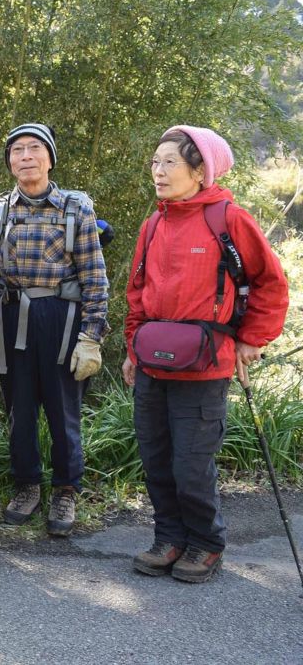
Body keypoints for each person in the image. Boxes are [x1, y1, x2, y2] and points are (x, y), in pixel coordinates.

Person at [123, 125, 288, 583]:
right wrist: (131, 349)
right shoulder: (153, 223)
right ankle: (169, 538)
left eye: (170, 162)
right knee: (156, 458)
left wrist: (253, 339)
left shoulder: (228, 219)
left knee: (191, 464)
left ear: (200, 172)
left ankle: (206, 544)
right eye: (155, 162)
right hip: (153, 360)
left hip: (206, 364)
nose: (158, 171)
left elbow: (271, 282)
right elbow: (137, 292)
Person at [0, 123, 109, 537]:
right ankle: (26, 485)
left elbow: (94, 277)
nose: (26, 156)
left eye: (35, 148)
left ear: (50, 158)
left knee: (62, 408)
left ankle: (66, 489)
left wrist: (91, 337)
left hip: (61, 316)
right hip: (12, 315)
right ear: (9, 161)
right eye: (17, 150)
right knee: (19, 409)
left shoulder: (75, 208)